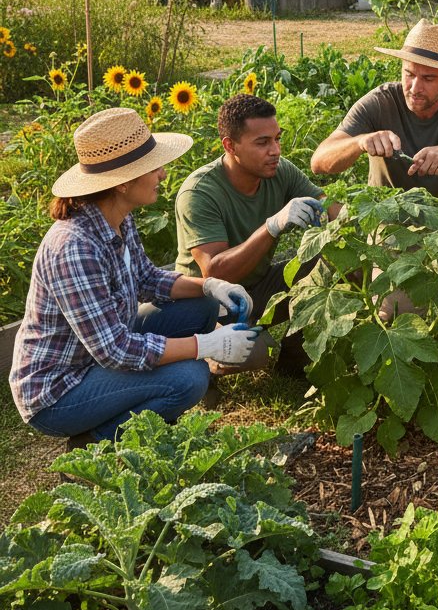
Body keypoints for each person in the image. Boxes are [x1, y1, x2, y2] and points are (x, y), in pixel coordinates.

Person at [9, 108, 259, 446]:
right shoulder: (74, 248)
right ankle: (95, 442)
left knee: (201, 306)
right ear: (124, 182)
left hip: (97, 352)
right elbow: (115, 350)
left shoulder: (116, 217)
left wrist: (211, 286)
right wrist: (208, 345)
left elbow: (146, 278)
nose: (163, 174)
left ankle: (135, 413)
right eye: (154, 168)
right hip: (59, 390)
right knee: (189, 377)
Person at [174, 94, 343, 371]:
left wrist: (370, 219)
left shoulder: (280, 170)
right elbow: (215, 273)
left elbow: (330, 207)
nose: (275, 150)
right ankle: (199, 360)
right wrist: (271, 227)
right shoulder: (200, 192)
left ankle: (296, 358)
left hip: (259, 286)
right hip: (211, 303)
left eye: (277, 138)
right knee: (255, 352)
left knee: (331, 262)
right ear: (230, 146)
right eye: (262, 142)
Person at [310, 18, 438, 232]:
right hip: (389, 218)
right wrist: (360, 141)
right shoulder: (380, 101)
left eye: (428, 78)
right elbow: (319, 161)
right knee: (392, 253)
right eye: (409, 74)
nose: (415, 87)